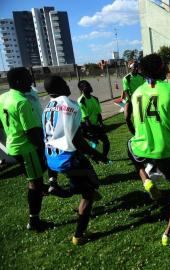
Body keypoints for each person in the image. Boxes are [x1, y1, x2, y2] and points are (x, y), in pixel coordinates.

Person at [127, 53, 170, 246]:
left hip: (141, 147)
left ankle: (147, 178)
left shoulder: (137, 92)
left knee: (131, 147)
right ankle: (168, 233)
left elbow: (132, 121)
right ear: (161, 68)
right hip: (165, 150)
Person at [42, 75, 108, 245]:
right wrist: (97, 154)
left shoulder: (47, 107)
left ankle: (60, 187)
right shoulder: (70, 104)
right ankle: (78, 235)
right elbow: (77, 139)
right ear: (59, 87)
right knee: (90, 191)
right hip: (68, 158)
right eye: (64, 82)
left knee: (88, 185)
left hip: (52, 157)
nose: (67, 84)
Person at [0, 67, 50, 231]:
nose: (31, 80)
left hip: (14, 144)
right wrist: (45, 149)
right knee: (35, 183)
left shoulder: (4, 97)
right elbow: (33, 134)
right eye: (28, 77)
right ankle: (33, 220)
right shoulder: (22, 102)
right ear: (19, 81)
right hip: (26, 147)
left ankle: (43, 190)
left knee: (36, 179)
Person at [77, 80, 110, 161]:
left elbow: (98, 114)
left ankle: (103, 156)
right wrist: (93, 134)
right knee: (93, 142)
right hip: (85, 127)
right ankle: (93, 155)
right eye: (85, 86)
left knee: (106, 141)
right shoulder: (81, 101)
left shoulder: (95, 99)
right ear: (81, 90)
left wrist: (101, 124)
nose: (88, 87)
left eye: (89, 85)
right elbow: (86, 120)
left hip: (95, 125)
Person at [122, 60, 145, 134]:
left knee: (140, 117)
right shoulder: (126, 78)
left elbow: (145, 87)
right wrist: (132, 102)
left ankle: (142, 131)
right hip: (130, 100)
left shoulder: (141, 76)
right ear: (130, 67)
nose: (136, 68)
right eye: (134, 67)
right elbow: (126, 92)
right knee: (127, 117)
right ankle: (133, 132)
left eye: (137, 66)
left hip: (141, 99)